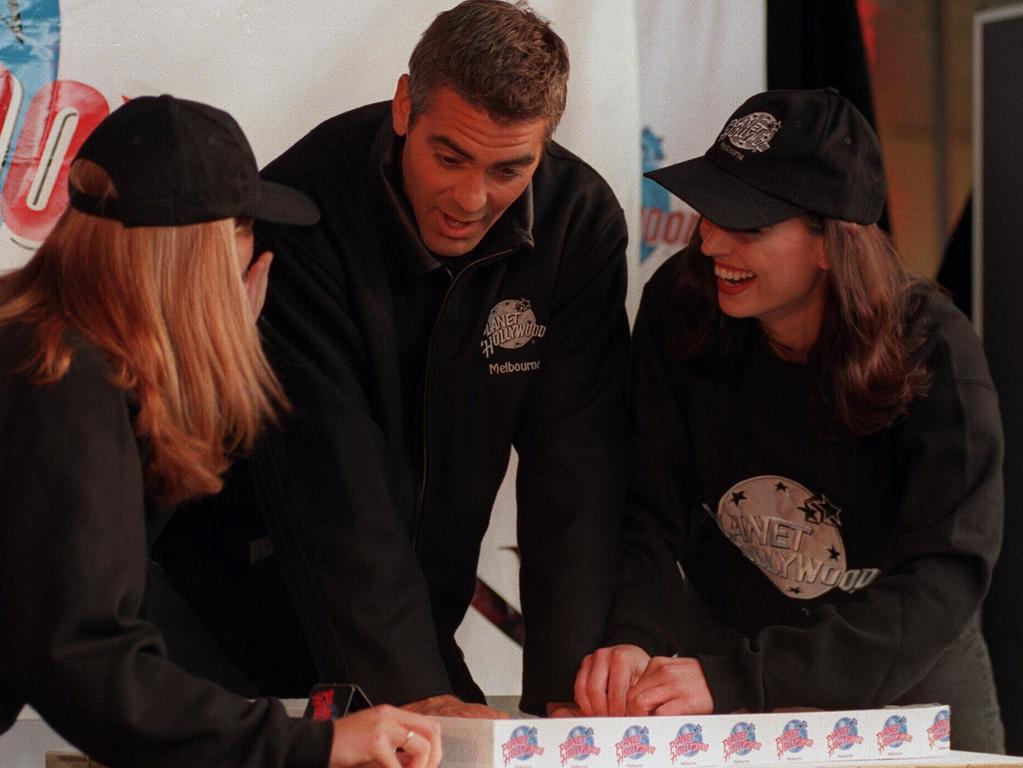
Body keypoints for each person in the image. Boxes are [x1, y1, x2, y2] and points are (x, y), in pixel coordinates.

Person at [151, 0, 629, 718]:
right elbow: (332, 482)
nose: (471, 198)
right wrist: (417, 694)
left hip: (408, 623)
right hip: (229, 620)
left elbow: (580, 475)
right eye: (449, 157)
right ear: (406, 104)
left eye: (510, 169)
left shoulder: (578, 221)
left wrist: (566, 706)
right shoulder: (304, 209)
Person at [0, 95, 441, 768]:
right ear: (193, 258)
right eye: (243, 229)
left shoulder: (40, 344)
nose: (258, 252)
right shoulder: (61, 379)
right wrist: (310, 745)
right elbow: (83, 655)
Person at [573, 88, 1005, 753]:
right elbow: (646, 509)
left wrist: (749, 678)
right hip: (731, 641)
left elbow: (942, 578)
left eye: (745, 223)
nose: (709, 240)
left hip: (902, 657)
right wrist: (633, 636)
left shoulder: (935, 351)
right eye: (708, 208)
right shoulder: (681, 307)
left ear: (829, 244)